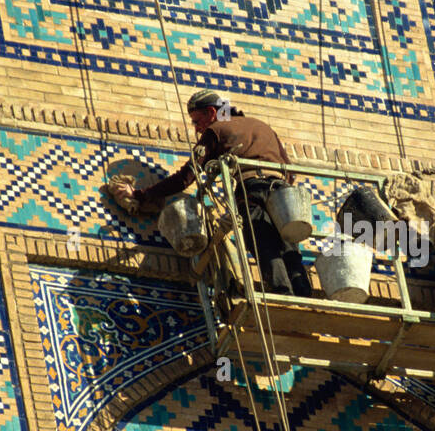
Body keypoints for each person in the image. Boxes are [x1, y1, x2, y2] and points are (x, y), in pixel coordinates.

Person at [107, 90, 313, 297]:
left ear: (211, 112)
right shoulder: (263, 127)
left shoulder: (217, 130)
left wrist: (141, 195)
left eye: (197, 121)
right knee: (288, 243)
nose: (197, 129)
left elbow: (185, 177)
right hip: (282, 190)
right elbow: (290, 171)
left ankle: (283, 293)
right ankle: (304, 294)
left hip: (251, 189)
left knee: (262, 242)